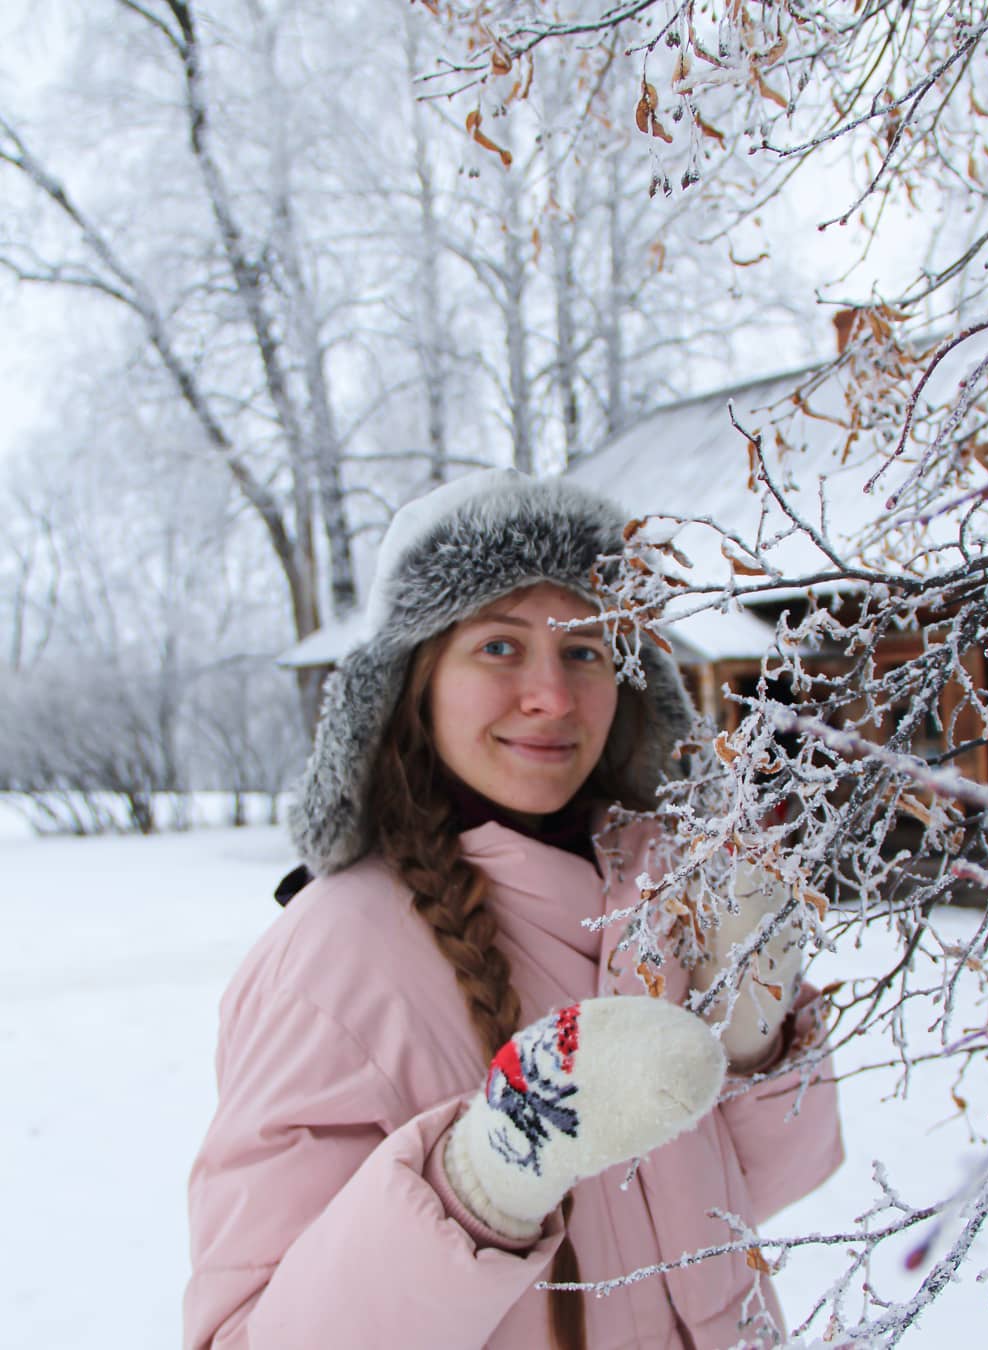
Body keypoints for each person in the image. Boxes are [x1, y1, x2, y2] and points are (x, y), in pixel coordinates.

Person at [184, 469, 843, 1350]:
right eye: (500, 647)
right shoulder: (331, 962)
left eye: (586, 650)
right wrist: (478, 1183)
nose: (555, 696)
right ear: (414, 683)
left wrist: (754, 1038)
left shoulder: (673, 892)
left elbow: (741, 1207)